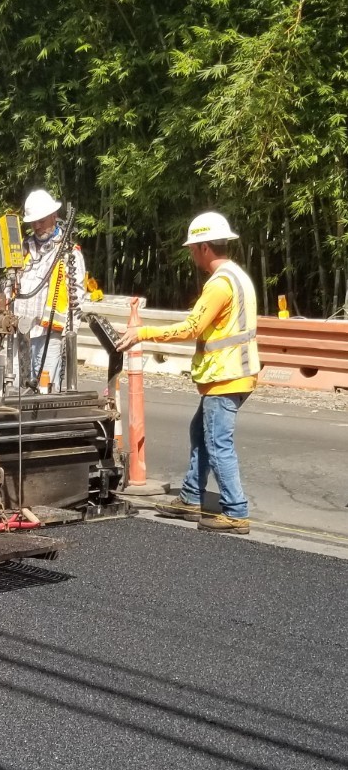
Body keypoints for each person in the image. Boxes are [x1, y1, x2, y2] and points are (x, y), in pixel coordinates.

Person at [117, 211, 259, 534]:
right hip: (234, 373)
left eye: (193, 248)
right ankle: (191, 496)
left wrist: (143, 333)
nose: (192, 254)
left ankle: (235, 511)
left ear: (204, 248)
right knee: (200, 431)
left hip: (225, 376)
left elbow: (192, 327)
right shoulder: (239, 277)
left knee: (216, 440)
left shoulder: (219, 285)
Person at [12, 189, 87, 393]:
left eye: (41, 220)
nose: (37, 226)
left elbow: (78, 295)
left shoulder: (68, 252)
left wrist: (71, 332)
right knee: (17, 389)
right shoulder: (22, 250)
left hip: (50, 334)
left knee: (44, 391)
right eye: (33, 222)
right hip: (21, 333)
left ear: (54, 216)